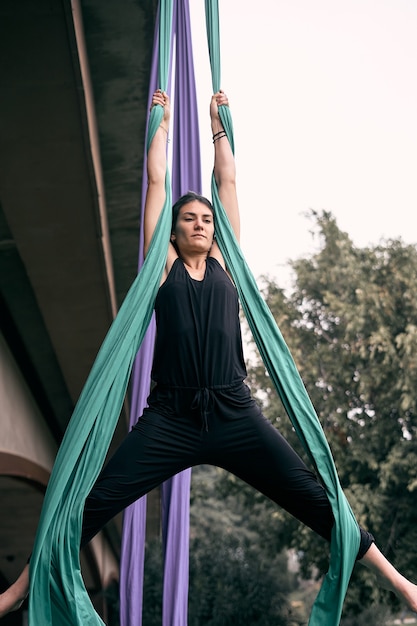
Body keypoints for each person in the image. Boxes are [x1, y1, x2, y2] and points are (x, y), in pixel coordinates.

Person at [1, 89, 417, 620]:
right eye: (189, 218)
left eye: (206, 218)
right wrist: (162, 123)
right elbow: (156, 182)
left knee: (317, 499)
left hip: (233, 413)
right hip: (170, 417)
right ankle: (16, 591)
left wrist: (220, 129)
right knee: (88, 506)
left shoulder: (226, 264)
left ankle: (402, 584)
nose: (200, 222)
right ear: (173, 232)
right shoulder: (163, 267)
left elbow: (229, 183)